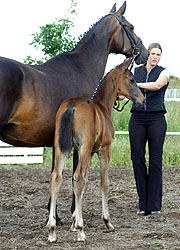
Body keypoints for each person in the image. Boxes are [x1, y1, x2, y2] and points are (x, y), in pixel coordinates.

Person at [128, 43, 169, 216]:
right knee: (137, 159)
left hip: (156, 118)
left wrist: (135, 86)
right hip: (137, 118)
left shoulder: (164, 72)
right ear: (148, 54)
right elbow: (125, 92)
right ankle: (142, 203)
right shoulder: (136, 71)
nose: (155, 57)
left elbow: (157, 86)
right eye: (153, 53)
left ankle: (154, 205)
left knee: (155, 161)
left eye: (158, 54)